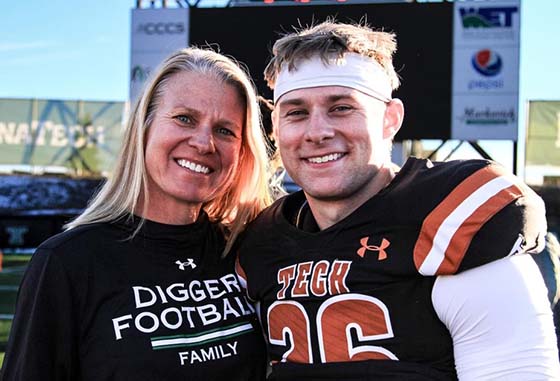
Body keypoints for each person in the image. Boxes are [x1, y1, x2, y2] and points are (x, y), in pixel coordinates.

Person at [236, 21, 560, 380]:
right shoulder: (262, 241)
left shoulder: (449, 219)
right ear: (276, 127)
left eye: (342, 108)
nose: (317, 132)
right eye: (296, 112)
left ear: (390, 119)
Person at [1, 47, 272, 380]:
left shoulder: (250, 250)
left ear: (242, 151)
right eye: (185, 118)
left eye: (225, 130)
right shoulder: (66, 262)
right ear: (144, 128)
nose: (204, 143)